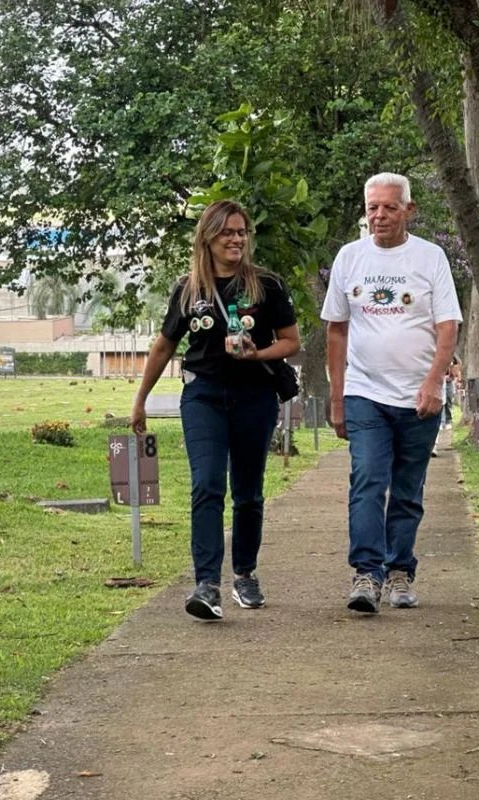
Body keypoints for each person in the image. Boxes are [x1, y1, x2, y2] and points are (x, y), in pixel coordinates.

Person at [131, 200, 301, 621]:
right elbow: (164, 346)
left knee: (248, 492)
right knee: (207, 485)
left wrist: (256, 353)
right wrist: (140, 400)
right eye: (227, 232)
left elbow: (291, 342)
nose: (236, 239)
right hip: (203, 396)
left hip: (254, 397)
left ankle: (245, 573)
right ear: (207, 238)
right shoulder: (189, 289)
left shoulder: (266, 285)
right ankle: (206, 584)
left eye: (241, 232)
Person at [321, 173, 462, 614]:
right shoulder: (350, 257)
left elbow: (447, 327)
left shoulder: (430, 257)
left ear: (409, 210)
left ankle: (400, 571)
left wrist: (434, 382)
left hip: (418, 397)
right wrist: (338, 396)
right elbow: (337, 330)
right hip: (365, 392)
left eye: (389, 207)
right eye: (372, 208)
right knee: (367, 479)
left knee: (407, 489)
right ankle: (366, 573)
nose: (379, 216)